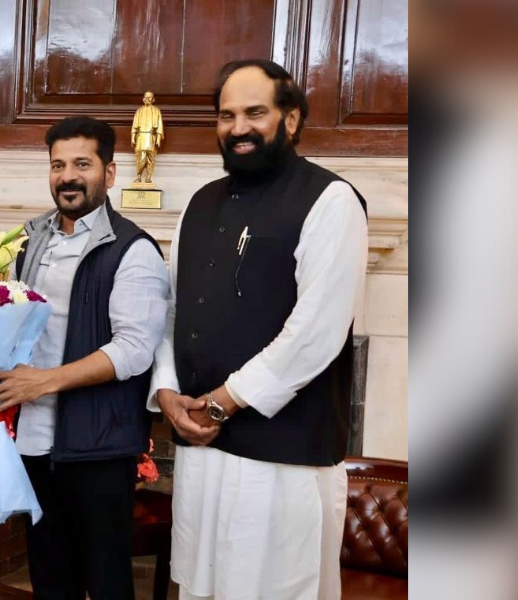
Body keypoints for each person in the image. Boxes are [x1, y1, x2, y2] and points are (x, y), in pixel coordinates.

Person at [149, 59, 368, 600]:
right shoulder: (199, 204)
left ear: (290, 119)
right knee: (201, 587)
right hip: (203, 454)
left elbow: (317, 330)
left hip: (281, 462)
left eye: (255, 112)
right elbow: (173, 310)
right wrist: (167, 392)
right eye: (226, 115)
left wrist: (226, 401)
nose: (238, 128)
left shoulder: (331, 200)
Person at [0, 115, 171, 600]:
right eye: (58, 164)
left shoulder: (134, 250)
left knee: (106, 583)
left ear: (109, 172)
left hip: (100, 447)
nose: (68, 176)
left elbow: (133, 351)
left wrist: (41, 382)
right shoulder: (28, 239)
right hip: (36, 444)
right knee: (50, 579)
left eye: (82, 164)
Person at [131, 91, 164, 184]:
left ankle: (149, 176)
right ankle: (139, 175)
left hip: (150, 137)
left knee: (151, 158)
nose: (147, 99)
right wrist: (133, 136)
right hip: (141, 137)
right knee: (140, 158)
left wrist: (158, 138)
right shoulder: (139, 111)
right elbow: (134, 125)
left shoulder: (156, 111)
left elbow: (159, 126)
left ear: (153, 99)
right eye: (146, 97)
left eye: (149, 97)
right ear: (143, 99)